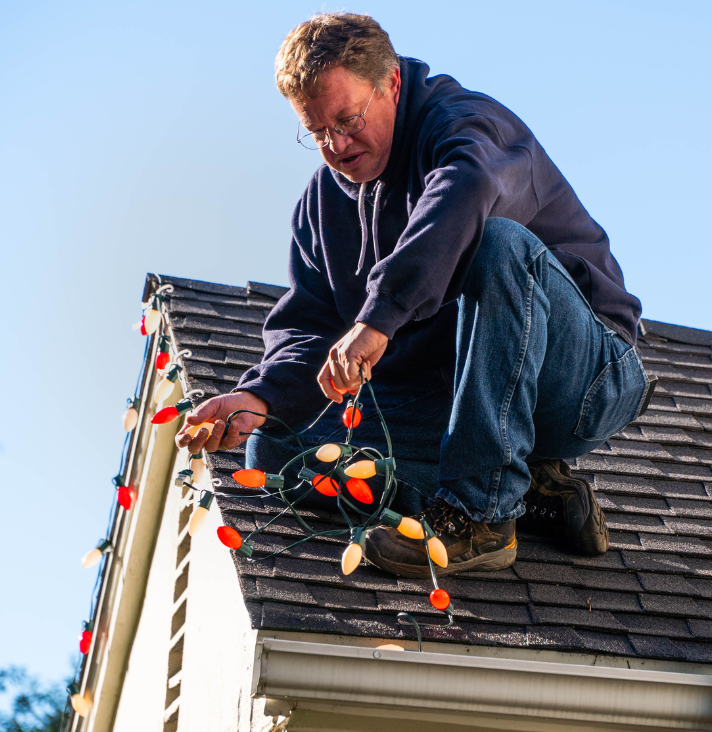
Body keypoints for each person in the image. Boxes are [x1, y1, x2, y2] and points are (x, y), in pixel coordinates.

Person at [176, 12, 653, 579]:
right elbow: (309, 329)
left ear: (392, 85)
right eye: (317, 131)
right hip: (462, 400)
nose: (337, 145)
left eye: (348, 119)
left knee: (497, 243)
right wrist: (261, 399)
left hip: (583, 376)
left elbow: (466, 189)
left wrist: (379, 316)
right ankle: (527, 495)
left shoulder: (465, 127)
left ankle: (482, 514)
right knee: (278, 453)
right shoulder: (321, 206)